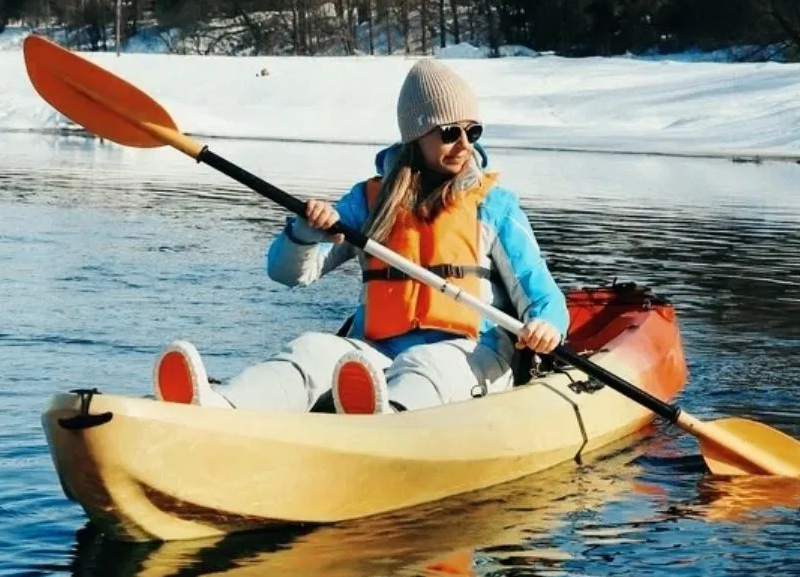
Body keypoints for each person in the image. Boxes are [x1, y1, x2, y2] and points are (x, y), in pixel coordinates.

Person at [151, 58, 570, 414]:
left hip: (470, 352)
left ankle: (380, 424)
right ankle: (221, 406)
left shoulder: (494, 205)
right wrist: (304, 231)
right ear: (416, 136)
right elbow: (286, 274)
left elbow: (543, 296)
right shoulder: (371, 201)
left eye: (472, 131)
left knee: (426, 365)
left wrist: (547, 326)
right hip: (377, 353)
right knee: (312, 351)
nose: (463, 145)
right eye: (448, 133)